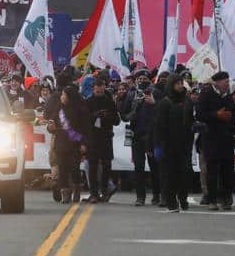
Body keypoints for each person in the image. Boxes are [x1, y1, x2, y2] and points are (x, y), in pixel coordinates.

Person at [198, 71, 235, 211]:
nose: (227, 84)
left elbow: (234, 115)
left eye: (228, 81)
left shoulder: (228, 97)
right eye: (225, 82)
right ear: (217, 82)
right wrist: (216, 115)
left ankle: (226, 198)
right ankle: (212, 200)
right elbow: (199, 114)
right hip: (211, 139)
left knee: (228, 170)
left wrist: (231, 117)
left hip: (227, 139)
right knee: (212, 171)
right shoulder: (206, 94)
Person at [154, 74, 194, 213]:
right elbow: (159, 125)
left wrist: (195, 126)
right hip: (168, 145)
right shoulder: (165, 103)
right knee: (169, 175)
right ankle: (171, 202)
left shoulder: (187, 101)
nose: (180, 86)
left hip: (184, 145)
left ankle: (183, 199)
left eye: (181, 83)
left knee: (184, 174)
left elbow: (190, 120)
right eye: (177, 83)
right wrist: (159, 145)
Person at [121, 70, 162, 207]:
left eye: (144, 78)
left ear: (149, 80)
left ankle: (157, 195)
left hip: (151, 136)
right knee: (138, 167)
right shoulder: (132, 94)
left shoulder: (155, 93)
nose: (141, 81)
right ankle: (140, 196)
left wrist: (154, 103)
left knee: (154, 167)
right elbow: (124, 114)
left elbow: (163, 110)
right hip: (137, 136)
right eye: (139, 78)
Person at [47, 83, 88, 204]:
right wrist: (50, 127)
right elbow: (51, 125)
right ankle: (65, 193)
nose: (62, 97)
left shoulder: (80, 111)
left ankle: (77, 190)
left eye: (64, 95)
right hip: (60, 144)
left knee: (74, 169)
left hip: (74, 145)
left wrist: (83, 143)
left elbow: (85, 129)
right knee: (62, 170)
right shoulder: (59, 110)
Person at [85, 74, 120, 203]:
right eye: (97, 87)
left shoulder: (109, 101)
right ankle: (93, 193)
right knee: (93, 166)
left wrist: (107, 116)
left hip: (106, 137)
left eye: (101, 87)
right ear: (93, 88)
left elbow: (117, 120)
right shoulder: (88, 102)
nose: (99, 90)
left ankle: (105, 191)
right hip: (93, 138)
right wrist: (95, 115)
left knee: (106, 165)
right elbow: (83, 120)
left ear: (105, 87)